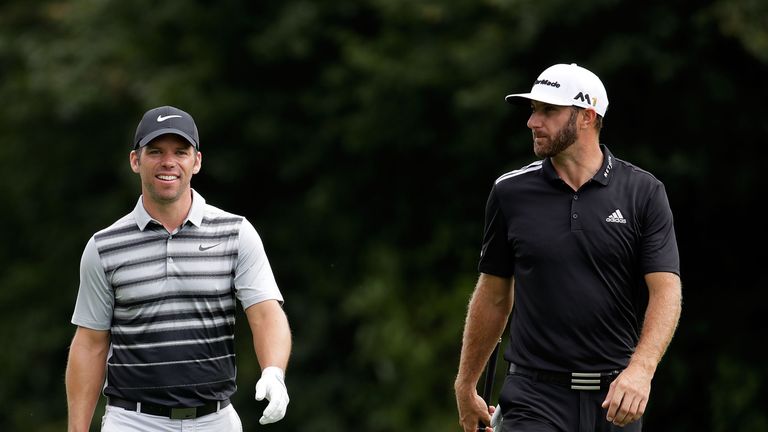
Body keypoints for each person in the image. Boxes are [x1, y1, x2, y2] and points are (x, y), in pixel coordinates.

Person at [454, 63, 682, 432]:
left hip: (615, 400)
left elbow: (666, 290)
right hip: (533, 397)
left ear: (588, 116)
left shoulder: (644, 193)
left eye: (548, 110)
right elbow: (494, 296)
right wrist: (466, 385)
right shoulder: (510, 193)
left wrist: (642, 369)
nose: (533, 122)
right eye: (533, 110)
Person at [65, 105, 292, 432]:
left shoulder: (236, 233)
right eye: (155, 151)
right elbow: (90, 342)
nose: (168, 162)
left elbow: (266, 312)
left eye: (180, 152)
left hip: (215, 420)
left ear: (196, 161)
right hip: (133, 421)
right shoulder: (104, 247)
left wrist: (273, 371)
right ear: (135, 160)